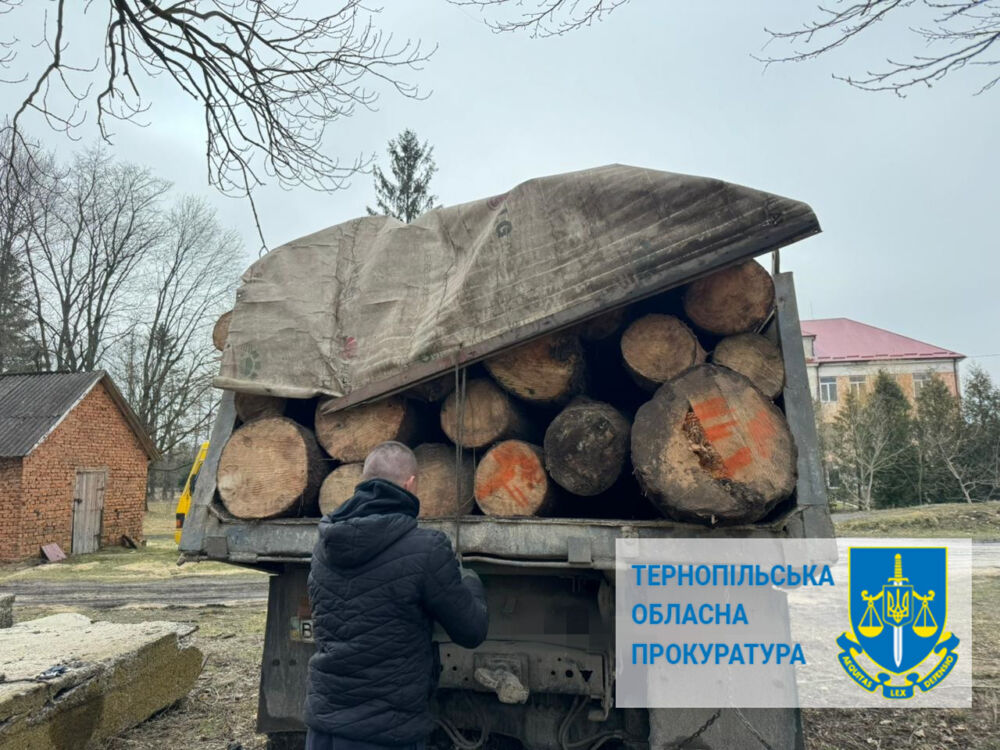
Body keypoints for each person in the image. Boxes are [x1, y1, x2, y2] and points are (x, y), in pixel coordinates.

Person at [305, 441, 489, 749]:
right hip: (386, 734)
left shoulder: (324, 547)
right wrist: (470, 580)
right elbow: (471, 631)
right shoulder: (427, 549)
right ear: (410, 484)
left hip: (324, 730)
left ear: (363, 481)